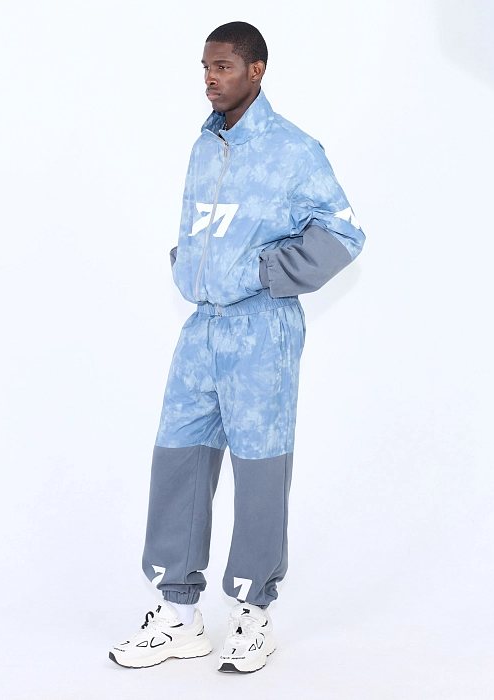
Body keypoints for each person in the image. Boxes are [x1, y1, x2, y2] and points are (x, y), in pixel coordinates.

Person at [109, 21, 365, 674]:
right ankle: (178, 614)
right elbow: (199, 228)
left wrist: (257, 273)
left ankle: (253, 614)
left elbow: (344, 234)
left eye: (222, 66)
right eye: (205, 67)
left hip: (261, 332)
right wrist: (187, 267)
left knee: (258, 472)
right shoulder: (205, 146)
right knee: (177, 461)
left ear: (256, 70)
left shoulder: (293, 149)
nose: (209, 79)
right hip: (201, 330)